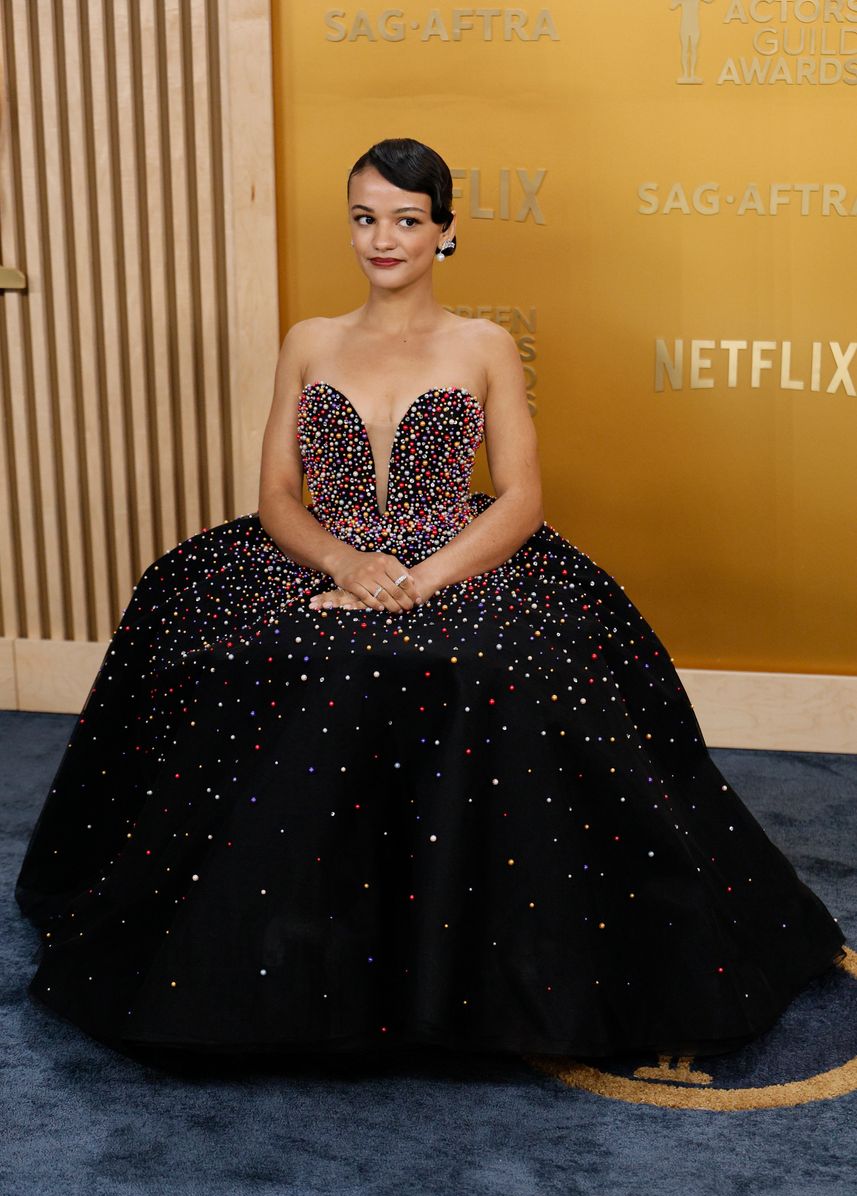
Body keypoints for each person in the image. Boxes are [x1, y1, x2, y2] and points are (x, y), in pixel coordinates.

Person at [15, 137, 845, 1061]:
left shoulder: (482, 344)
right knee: (267, 652)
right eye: (366, 218)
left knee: (488, 665)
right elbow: (276, 500)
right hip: (319, 555)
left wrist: (417, 579)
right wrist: (342, 564)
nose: (384, 238)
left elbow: (523, 500)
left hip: (453, 555)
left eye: (407, 221)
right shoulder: (310, 341)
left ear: (444, 233)